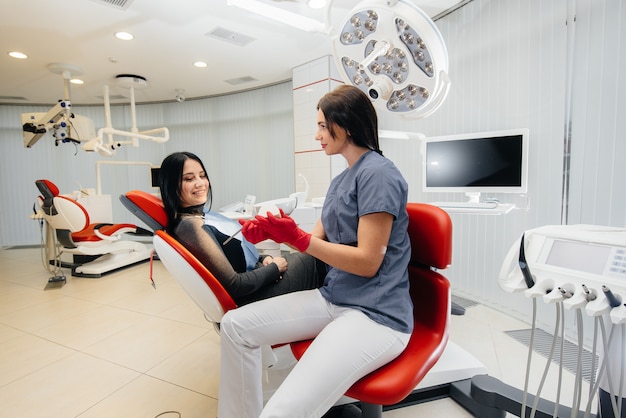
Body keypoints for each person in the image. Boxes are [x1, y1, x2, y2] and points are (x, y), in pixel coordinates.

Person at [218, 85, 413, 417]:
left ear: (346, 125)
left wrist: (296, 237)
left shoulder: (379, 175)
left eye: (323, 126)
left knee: (283, 411)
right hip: (333, 298)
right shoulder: (341, 180)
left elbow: (367, 262)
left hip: (376, 315)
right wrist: (270, 230)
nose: (317, 135)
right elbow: (316, 240)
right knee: (234, 326)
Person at [158, 151, 325, 306]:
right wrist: (274, 268)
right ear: (171, 185)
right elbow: (234, 285)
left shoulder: (199, 216)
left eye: (202, 176)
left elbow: (231, 257)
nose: (200, 183)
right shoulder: (192, 227)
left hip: (260, 276)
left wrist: (263, 258)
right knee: (321, 259)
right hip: (253, 294)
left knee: (318, 255)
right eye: (188, 179)